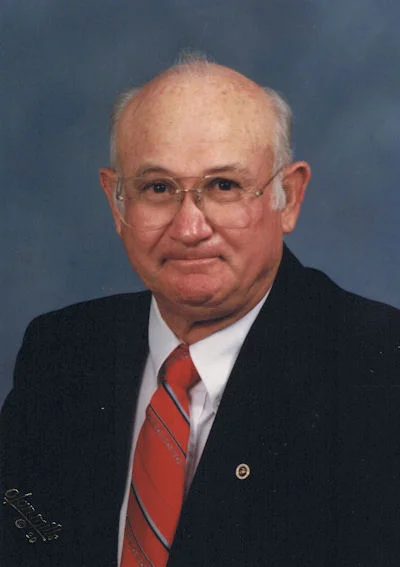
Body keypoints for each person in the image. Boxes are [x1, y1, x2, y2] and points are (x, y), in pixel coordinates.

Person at [1, 54, 400, 567]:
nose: (189, 229)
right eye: (158, 188)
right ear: (116, 203)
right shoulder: (62, 350)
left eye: (223, 186)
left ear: (290, 197)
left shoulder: (379, 370)